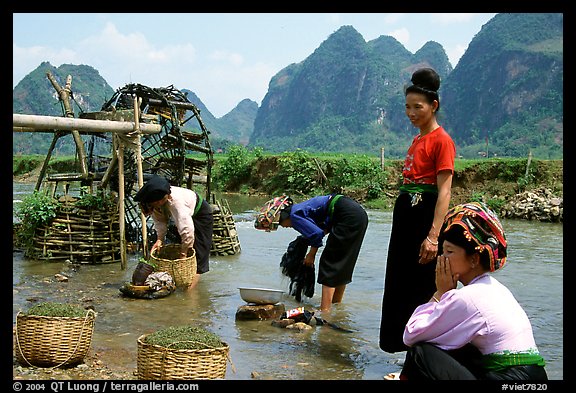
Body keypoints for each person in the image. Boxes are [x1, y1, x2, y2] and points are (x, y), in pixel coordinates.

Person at [400, 202, 548, 380]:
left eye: (449, 251)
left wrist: (440, 293)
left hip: (512, 378)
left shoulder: (468, 297)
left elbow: (411, 335)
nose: (442, 258)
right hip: (534, 377)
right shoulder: (496, 288)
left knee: (420, 353)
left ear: (474, 259)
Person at [379, 67, 456, 353]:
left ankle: (427, 353)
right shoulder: (418, 139)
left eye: (418, 107)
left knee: (423, 285)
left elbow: (444, 191)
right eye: (407, 107)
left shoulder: (442, 141)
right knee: (400, 281)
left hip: (424, 217)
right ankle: (404, 349)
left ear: (433, 106)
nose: (411, 113)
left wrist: (434, 236)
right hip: (406, 216)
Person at [255, 194, 368, 312]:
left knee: (329, 263)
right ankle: (336, 305)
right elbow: (324, 227)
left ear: (284, 217)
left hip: (348, 216)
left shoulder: (294, 216)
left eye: (281, 224)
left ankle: (325, 311)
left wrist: (311, 255)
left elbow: (316, 234)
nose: (284, 227)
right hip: (356, 214)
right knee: (341, 262)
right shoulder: (300, 210)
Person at [134, 175, 213, 289]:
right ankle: (178, 283)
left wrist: (184, 253)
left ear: (163, 199)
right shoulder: (154, 203)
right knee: (176, 249)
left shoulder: (176, 202)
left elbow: (187, 230)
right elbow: (160, 221)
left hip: (200, 214)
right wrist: (160, 239)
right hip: (181, 218)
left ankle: (189, 294)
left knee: (198, 255)